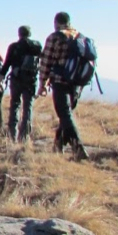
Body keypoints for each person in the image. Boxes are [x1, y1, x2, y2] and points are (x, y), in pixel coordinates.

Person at [39, 12, 90, 161]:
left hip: (60, 81)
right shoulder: (80, 37)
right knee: (65, 114)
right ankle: (58, 145)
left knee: (65, 115)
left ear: (56, 22)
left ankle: (78, 147)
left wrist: (42, 83)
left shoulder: (55, 37)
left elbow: (46, 61)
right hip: (77, 84)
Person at [1, 25, 42, 142]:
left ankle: (12, 134)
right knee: (28, 106)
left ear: (19, 34)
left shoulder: (14, 46)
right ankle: (24, 136)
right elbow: (42, 61)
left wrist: (0, 78)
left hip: (16, 79)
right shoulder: (37, 45)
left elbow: (7, 63)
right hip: (31, 80)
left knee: (15, 105)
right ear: (30, 34)